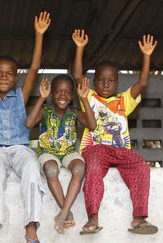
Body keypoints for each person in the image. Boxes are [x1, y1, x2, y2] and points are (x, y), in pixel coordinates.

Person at [72, 29, 159, 235]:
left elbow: (143, 83)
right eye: (101, 80)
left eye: (111, 81)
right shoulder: (90, 97)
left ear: (117, 83)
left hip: (121, 150)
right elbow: (77, 75)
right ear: (94, 82)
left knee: (141, 167)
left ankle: (139, 219)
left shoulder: (124, 100)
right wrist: (79, 48)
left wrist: (146, 56)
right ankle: (93, 217)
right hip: (96, 149)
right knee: (92, 169)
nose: (105, 84)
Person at [0, 8, 50, 243]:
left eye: (9, 74)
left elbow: (35, 68)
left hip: (19, 148)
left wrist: (39, 34)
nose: (4, 77)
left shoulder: (21, 95)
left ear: (15, 77)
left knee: (31, 165)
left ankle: (31, 227)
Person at [25, 75, 96, 234]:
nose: (62, 96)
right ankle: (66, 212)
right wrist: (41, 99)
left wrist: (84, 98)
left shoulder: (75, 113)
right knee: (51, 169)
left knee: (79, 168)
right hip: (47, 152)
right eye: (58, 92)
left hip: (68, 153)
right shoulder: (45, 111)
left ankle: (63, 213)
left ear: (72, 95)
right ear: (51, 94)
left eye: (67, 92)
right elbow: (28, 123)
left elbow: (92, 125)